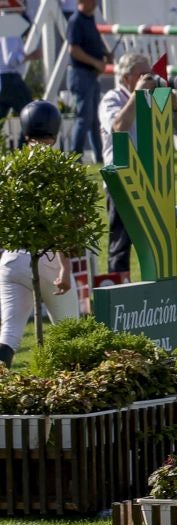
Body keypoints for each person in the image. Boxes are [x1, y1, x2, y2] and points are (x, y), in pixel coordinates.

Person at [100, 51, 177, 277]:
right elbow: (118, 126)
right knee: (120, 246)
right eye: (143, 74)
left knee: (157, 241)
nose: (150, 78)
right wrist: (137, 95)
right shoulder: (112, 98)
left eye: (151, 73)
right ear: (127, 77)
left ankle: (158, 290)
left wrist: (174, 102)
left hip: (152, 178)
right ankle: (121, 296)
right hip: (121, 179)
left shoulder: (153, 99)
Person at [0, 102, 70, 366]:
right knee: (69, 327)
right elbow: (59, 222)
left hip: (10, 260)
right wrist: (65, 267)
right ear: (54, 132)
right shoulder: (58, 168)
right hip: (47, 259)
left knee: (10, 332)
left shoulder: (9, 166)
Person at [63, 0, 110, 162]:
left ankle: (100, 156)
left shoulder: (89, 19)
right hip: (80, 74)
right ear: (81, 0)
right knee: (83, 118)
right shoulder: (76, 21)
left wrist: (104, 54)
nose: (94, 2)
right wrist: (96, 61)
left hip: (89, 74)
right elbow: (74, 50)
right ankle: (75, 157)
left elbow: (91, 44)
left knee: (94, 119)